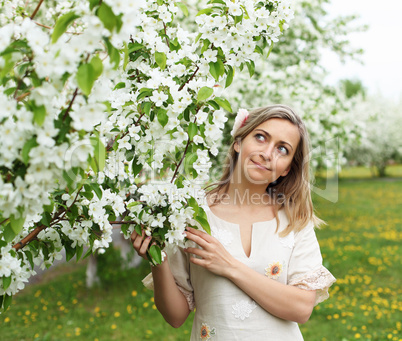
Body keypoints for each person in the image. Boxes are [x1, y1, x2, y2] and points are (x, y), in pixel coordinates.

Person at [131, 105, 336, 340]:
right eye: (260, 137)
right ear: (239, 141)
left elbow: (301, 309)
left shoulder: (294, 219)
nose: (268, 153)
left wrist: (229, 266)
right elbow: (175, 316)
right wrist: (159, 260)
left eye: (282, 149)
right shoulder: (190, 214)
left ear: (286, 168)